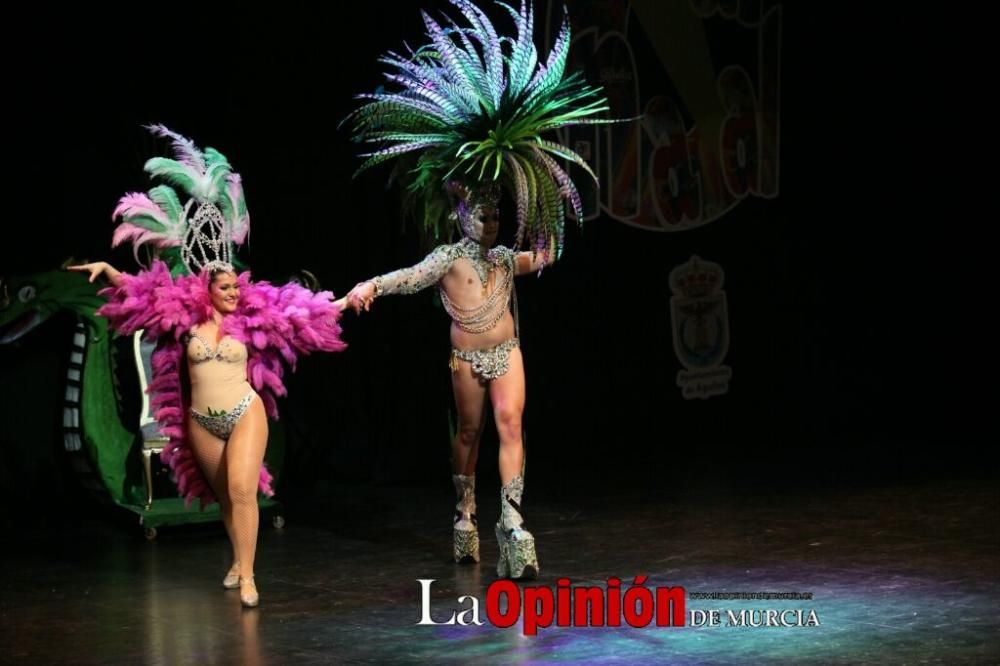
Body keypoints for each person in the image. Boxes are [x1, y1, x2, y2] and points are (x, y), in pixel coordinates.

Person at [69, 126, 346, 607]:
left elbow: (305, 313)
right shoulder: (184, 320)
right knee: (224, 497)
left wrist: (346, 300)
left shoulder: (255, 315)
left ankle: (250, 576)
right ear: (206, 290)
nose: (235, 293)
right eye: (225, 289)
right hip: (201, 421)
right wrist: (109, 271)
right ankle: (237, 558)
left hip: (243, 409)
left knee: (243, 491)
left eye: (237, 287)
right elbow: (139, 296)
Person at [347, 183, 551, 579]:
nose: (490, 225)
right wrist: (373, 284)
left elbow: (544, 257)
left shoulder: (505, 260)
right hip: (466, 359)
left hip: (508, 350)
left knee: (510, 421)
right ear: (461, 217)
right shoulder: (447, 259)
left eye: (495, 217)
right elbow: (409, 277)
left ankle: (512, 519)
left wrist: (548, 218)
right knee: (470, 433)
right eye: (482, 217)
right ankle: (465, 510)